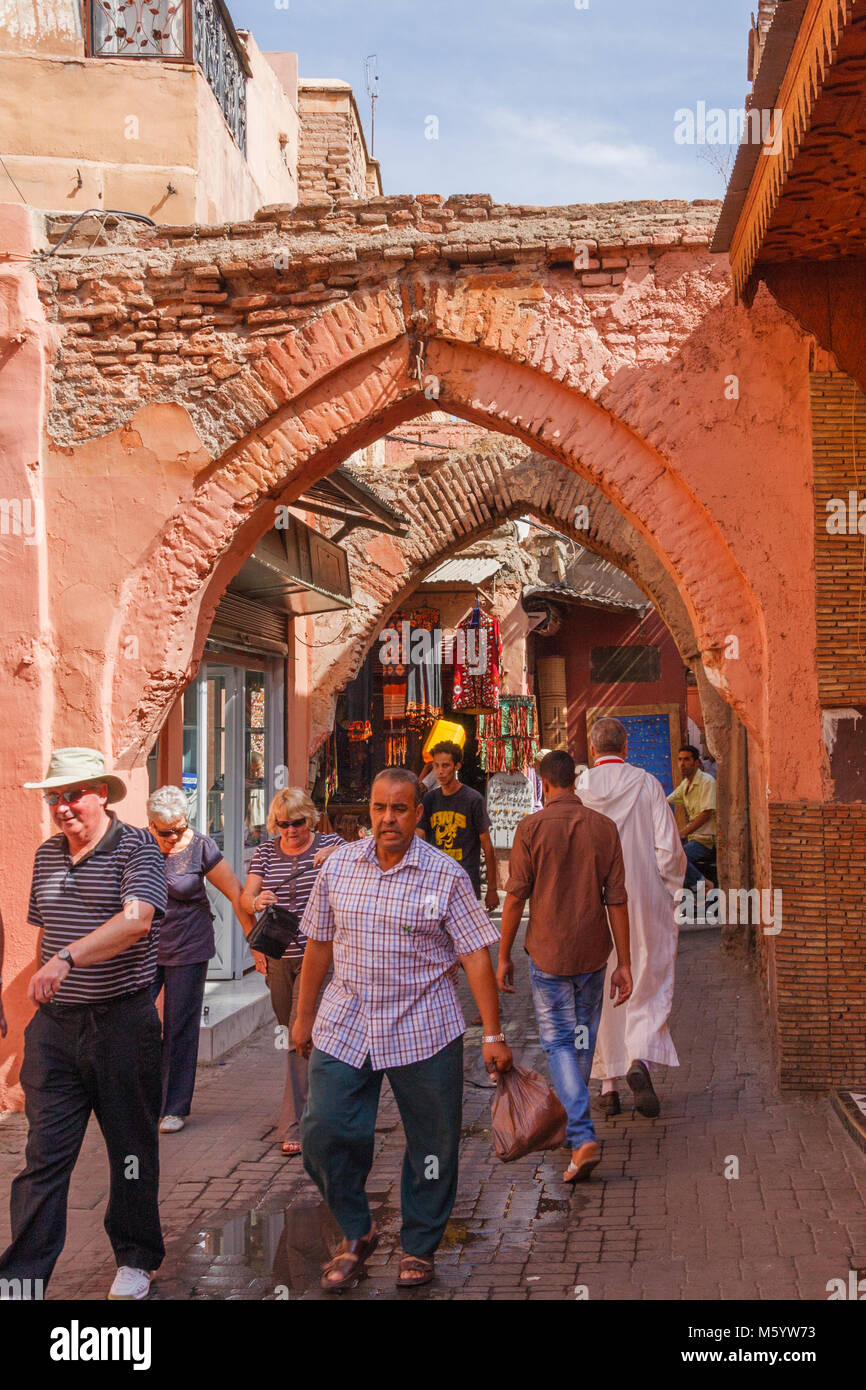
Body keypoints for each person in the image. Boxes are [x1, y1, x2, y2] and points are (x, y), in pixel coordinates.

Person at [292, 767, 512, 1292]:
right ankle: (356, 1228)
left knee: (432, 1146)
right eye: (378, 808)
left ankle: (418, 1245)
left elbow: (475, 956)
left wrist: (492, 1033)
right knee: (322, 1132)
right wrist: (302, 1015)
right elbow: (319, 944)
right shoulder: (340, 866)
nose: (387, 818)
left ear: (418, 813)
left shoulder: (446, 875)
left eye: (398, 809)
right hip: (346, 1023)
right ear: (369, 811)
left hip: (424, 1026)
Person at [0, 748, 167, 1301]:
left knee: (131, 1147)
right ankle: (21, 1280)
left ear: (101, 792)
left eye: (73, 794)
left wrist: (67, 959)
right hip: (56, 1029)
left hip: (123, 1021)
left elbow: (137, 921)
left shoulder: (138, 846)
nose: (62, 807)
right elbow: (46, 933)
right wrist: (33, 1023)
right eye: (54, 797)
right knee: (43, 1157)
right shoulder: (48, 857)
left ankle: (136, 1258)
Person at [496, 749, 632, 1185]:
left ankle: (581, 1133)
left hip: (549, 955)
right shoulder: (604, 828)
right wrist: (624, 962)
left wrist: (504, 954)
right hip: (594, 953)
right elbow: (617, 900)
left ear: (543, 783)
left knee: (558, 1045)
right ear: (573, 780)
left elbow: (514, 897)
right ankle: (578, 1134)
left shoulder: (530, 828)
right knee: (580, 1040)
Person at [577, 718, 686, 1119]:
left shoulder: (580, 789)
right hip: (642, 898)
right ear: (626, 748)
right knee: (646, 976)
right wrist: (670, 892)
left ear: (592, 750)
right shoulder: (646, 783)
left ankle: (607, 1086)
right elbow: (669, 850)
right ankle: (639, 1059)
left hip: (594, 901)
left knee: (603, 985)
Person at [241, 789, 344, 1157]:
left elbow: (365, 855)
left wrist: (337, 855)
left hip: (318, 955)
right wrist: (257, 901)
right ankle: (315, 1114)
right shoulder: (268, 851)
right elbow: (244, 898)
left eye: (297, 823)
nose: (290, 831)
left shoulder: (332, 843)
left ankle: (297, 1123)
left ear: (309, 819)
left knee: (305, 1030)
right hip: (279, 956)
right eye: (282, 824)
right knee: (290, 1035)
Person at [147, 785, 253, 1134]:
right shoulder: (139, 846)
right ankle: (141, 1099)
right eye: (166, 832)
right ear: (151, 825)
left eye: (180, 828)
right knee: (136, 1021)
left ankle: (173, 1107)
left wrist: (255, 942)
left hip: (188, 945)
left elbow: (235, 892)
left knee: (179, 1026)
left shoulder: (200, 846)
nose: (174, 837)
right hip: (145, 948)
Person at [419, 741, 499, 910]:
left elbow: (487, 846)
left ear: (457, 766)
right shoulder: (430, 800)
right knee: (432, 931)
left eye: (446, 765)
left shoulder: (473, 800)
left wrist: (492, 889)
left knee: (464, 934)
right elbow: (419, 839)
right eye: (436, 765)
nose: (440, 771)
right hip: (434, 882)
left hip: (464, 883)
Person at [667, 744, 717, 888]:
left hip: (706, 840)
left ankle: (704, 885)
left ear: (696, 762)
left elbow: (706, 814)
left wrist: (682, 833)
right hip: (693, 838)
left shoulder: (707, 782)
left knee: (676, 857)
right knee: (664, 852)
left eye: (687, 760)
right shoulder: (685, 784)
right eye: (680, 760)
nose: (682, 764)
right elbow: (666, 801)